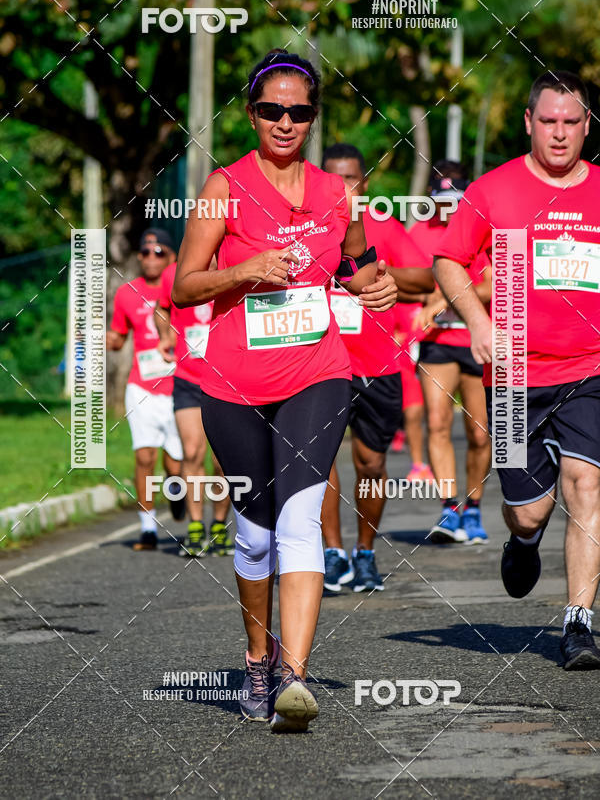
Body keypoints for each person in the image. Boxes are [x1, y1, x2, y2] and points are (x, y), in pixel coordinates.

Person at [172, 49, 398, 731]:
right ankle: (255, 657)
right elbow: (184, 284)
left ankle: (293, 678)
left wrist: (372, 283)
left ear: (312, 119)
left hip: (317, 373)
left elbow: (360, 262)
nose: (284, 121)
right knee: (254, 534)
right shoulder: (225, 186)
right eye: (271, 109)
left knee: (301, 516)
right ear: (251, 113)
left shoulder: (337, 193)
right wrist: (245, 269)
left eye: (298, 111)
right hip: (233, 382)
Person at [434, 71, 600, 669]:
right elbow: (448, 260)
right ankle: (524, 538)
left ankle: (578, 625)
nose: (560, 134)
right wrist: (478, 322)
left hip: (590, 369)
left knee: (588, 485)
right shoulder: (493, 190)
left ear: (587, 126)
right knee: (531, 507)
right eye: (548, 121)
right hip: (511, 377)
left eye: (572, 122)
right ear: (529, 122)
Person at [320, 143, 434, 593]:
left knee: (370, 462)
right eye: (336, 179)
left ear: (365, 183)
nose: (345, 188)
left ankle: (365, 554)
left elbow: (425, 280)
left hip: (377, 365)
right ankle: (332, 554)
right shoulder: (309, 230)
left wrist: (381, 275)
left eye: (352, 179)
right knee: (320, 461)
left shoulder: (383, 226)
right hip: (323, 362)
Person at [411, 163, 492, 545]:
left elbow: (494, 285)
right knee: (438, 423)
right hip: (438, 343)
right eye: (441, 203)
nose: (449, 211)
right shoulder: (419, 234)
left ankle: (474, 509)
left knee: (479, 434)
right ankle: (449, 508)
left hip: (478, 342)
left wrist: (445, 296)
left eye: (456, 203)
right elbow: (409, 281)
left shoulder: (484, 231)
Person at [107, 229, 183, 550]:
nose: (151, 258)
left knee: (175, 463)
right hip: (141, 388)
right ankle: (148, 529)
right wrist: (105, 340)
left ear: (172, 258)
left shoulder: (182, 288)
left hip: (179, 387)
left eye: (159, 252)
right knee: (144, 458)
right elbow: (118, 337)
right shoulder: (126, 294)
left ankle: (177, 491)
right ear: (139, 257)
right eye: (146, 252)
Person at [155, 262, 234, 556]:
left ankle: (218, 525)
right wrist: (166, 335)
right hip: (187, 377)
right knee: (192, 452)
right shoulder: (173, 272)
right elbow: (161, 307)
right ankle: (196, 526)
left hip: (227, 377)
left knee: (223, 458)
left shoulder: (234, 263)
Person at [390, 299, 435, 484]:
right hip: (407, 366)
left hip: (433, 363)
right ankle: (418, 465)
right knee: (413, 413)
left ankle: (435, 464)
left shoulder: (435, 301)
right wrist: (392, 337)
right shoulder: (398, 303)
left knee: (436, 418)